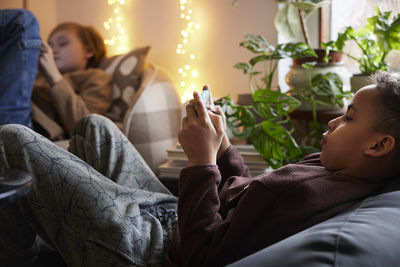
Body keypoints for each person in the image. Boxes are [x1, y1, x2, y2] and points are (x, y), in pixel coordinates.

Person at [0, 71, 399, 266]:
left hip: (155, 251)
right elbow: (246, 194)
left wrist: (201, 161)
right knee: (95, 127)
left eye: (348, 117)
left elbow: (199, 255)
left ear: (379, 144)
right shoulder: (332, 169)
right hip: (177, 217)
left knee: (14, 139)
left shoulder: (309, 197)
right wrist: (222, 147)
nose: (332, 123)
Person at [0, 9, 112, 140]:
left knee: (23, 21)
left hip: (28, 129)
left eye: (63, 44)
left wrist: (53, 74)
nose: (53, 50)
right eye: (50, 45)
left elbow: (88, 127)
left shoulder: (96, 77)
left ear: (88, 50)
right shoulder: (37, 75)